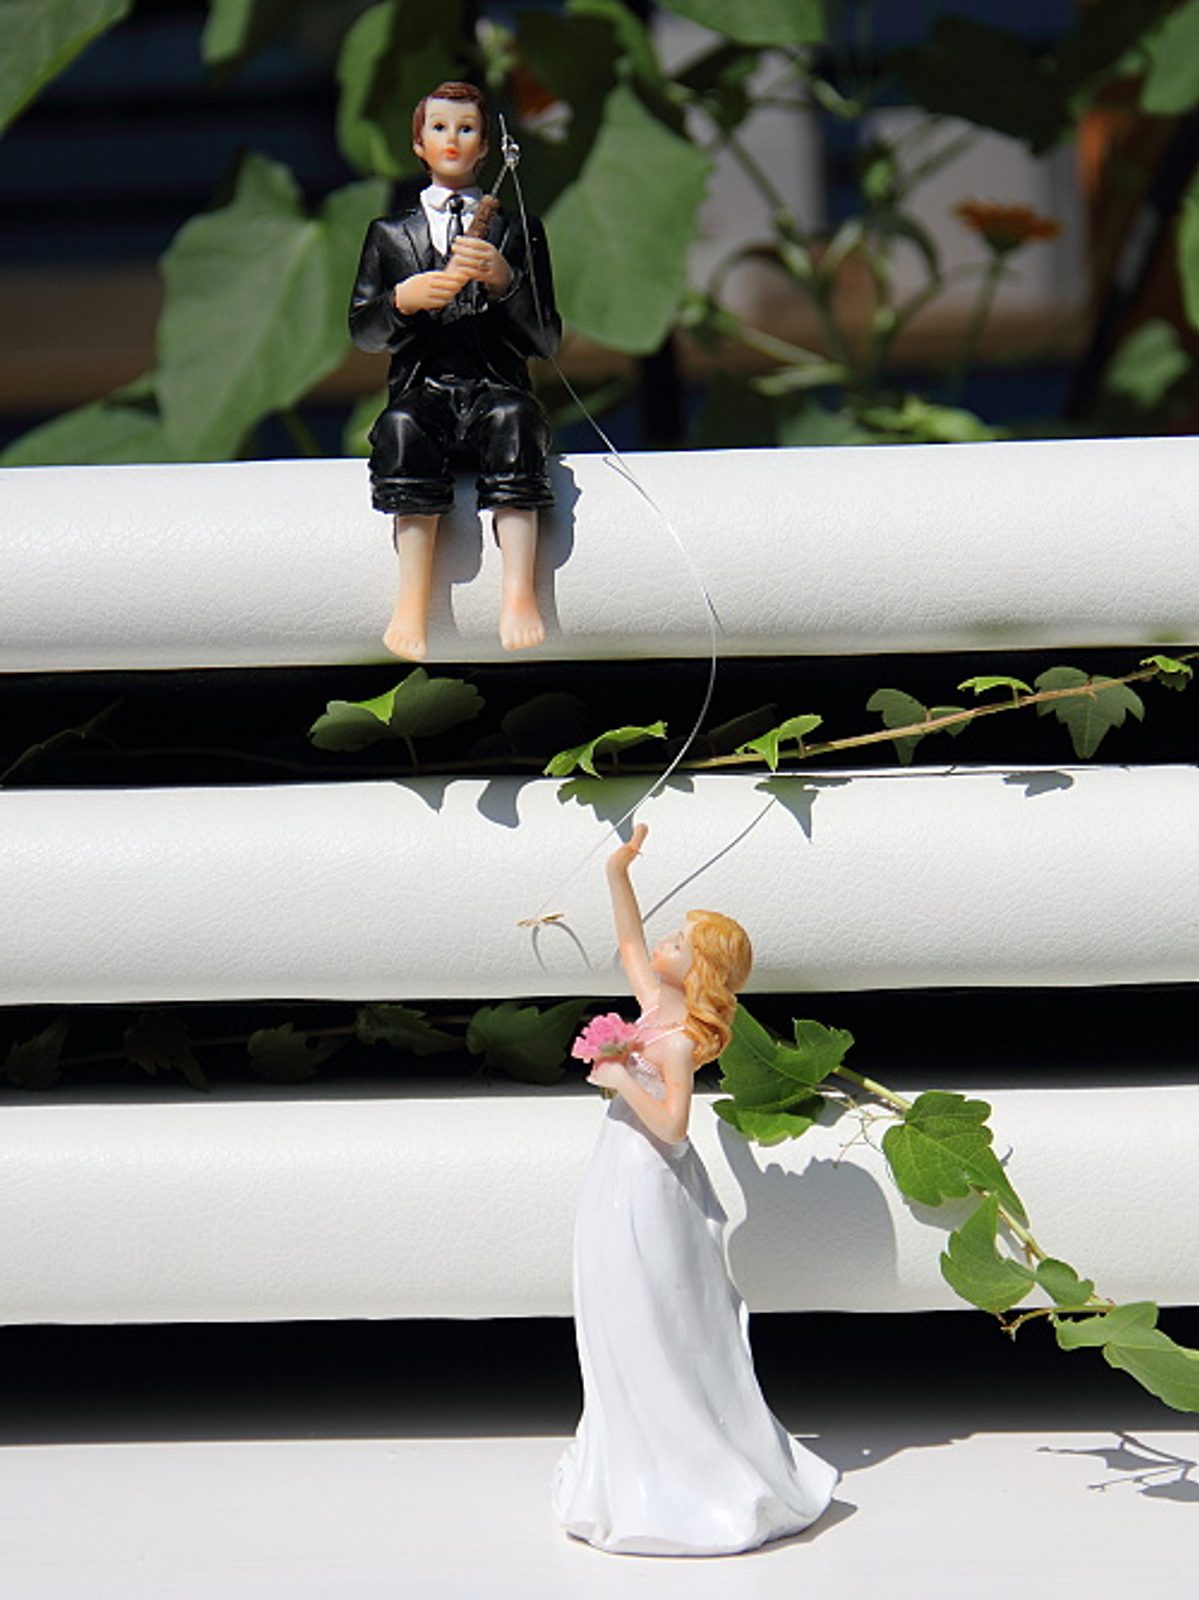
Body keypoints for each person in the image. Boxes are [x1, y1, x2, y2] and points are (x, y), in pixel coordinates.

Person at [552, 823, 839, 1556]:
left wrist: (620, 1076)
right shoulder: (653, 1005)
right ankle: (625, 1455)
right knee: (613, 1302)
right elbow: (627, 942)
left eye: (679, 942)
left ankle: (681, 1465)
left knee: (650, 1307)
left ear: (700, 969)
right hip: (617, 1168)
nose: (664, 944)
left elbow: (674, 1129)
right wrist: (618, 872)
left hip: (650, 1180)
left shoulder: (676, 1038)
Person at [348, 81, 560, 659]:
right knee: (402, 430)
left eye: (466, 129)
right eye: (439, 128)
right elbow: (364, 330)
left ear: (486, 145)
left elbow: (545, 340)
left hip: (494, 386)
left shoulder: (517, 232)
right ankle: (411, 600)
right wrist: (403, 300)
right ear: (418, 143)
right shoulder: (390, 235)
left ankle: (519, 594)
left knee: (516, 421)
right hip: (426, 389)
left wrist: (505, 282)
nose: (452, 139)